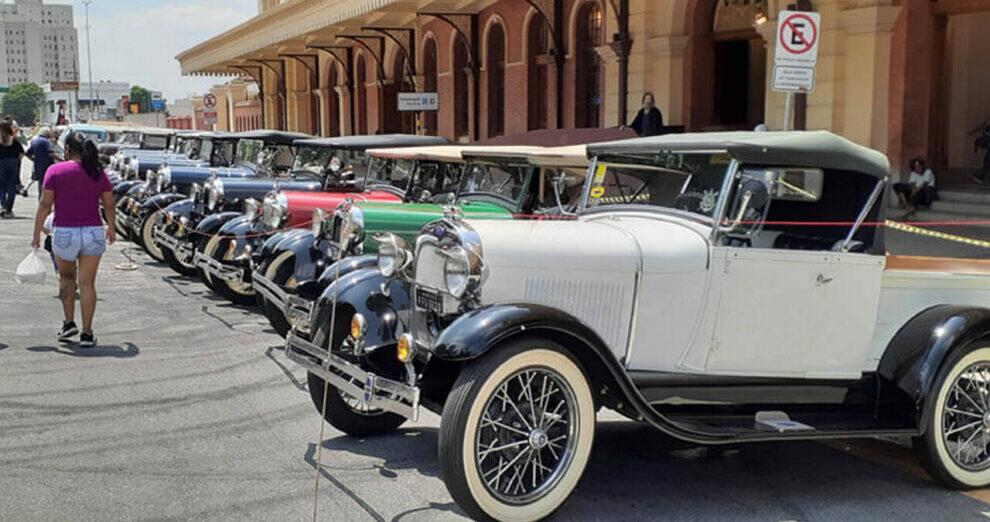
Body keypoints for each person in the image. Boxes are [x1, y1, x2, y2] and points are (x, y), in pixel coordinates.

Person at [31, 132, 116, 347]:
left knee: (66, 279)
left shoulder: (55, 171)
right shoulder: (97, 171)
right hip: (93, 232)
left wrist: (36, 233)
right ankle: (87, 333)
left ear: (68, 149)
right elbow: (108, 203)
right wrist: (112, 228)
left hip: (65, 232)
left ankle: (69, 323)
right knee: (87, 284)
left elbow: (44, 204)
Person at [0, 120, 24, 218]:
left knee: (1, 187)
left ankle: (4, 207)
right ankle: (9, 209)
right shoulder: (14, 140)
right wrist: (17, 161)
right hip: (13, 163)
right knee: (11, 187)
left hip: (1, 163)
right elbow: (22, 153)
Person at [25, 127, 55, 200]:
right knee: (47, 183)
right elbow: (50, 153)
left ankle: (40, 198)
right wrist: (60, 160)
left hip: (37, 165)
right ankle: (44, 199)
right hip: (47, 165)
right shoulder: (46, 142)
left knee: (40, 183)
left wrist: (33, 159)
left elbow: (27, 153)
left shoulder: (34, 141)